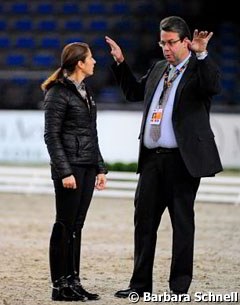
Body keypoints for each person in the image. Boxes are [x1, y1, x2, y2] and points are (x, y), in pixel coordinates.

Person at [105, 16, 222, 298]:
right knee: (143, 224)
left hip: (182, 162)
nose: (166, 48)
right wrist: (121, 64)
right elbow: (134, 92)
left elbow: (212, 87)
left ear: (185, 42)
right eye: (162, 42)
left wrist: (202, 53)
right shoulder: (159, 68)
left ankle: (179, 286)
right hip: (151, 162)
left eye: (171, 43)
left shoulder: (198, 69)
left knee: (182, 225)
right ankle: (140, 285)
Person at [42, 42, 107, 301]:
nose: (94, 62)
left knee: (76, 227)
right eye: (90, 58)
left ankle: (73, 281)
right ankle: (59, 285)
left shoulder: (85, 92)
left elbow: (92, 134)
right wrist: (65, 171)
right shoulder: (58, 93)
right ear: (80, 62)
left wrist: (99, 167)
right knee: (64, 225)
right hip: (70, 169)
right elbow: (51, 136)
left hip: (87, 166)